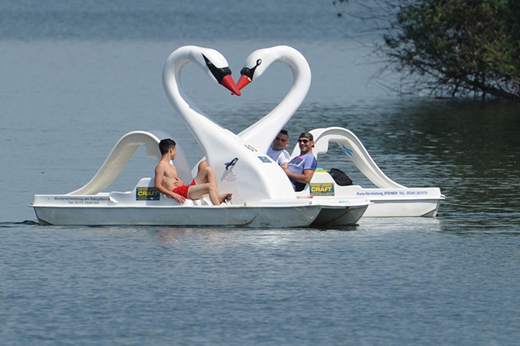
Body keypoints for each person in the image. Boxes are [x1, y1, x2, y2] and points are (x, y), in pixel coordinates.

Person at [154, 138, 232, 205]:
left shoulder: (172, 166)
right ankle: (218, 209)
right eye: (175, 150)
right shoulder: (161, 166)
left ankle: (217, 196)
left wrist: (181, 182)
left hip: (183, 190)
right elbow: (157, 186)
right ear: (171, 150)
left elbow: (173, 182)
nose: (176, 153)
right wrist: (173, 194)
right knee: (210, 186)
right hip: (177, 192)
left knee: (208, 170)